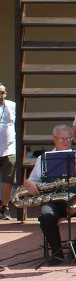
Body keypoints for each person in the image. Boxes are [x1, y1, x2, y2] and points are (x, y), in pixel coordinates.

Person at [26, 125, 76, 265]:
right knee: (46, 216)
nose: (66, 141)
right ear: (54, 139)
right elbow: (32, 180)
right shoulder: (43, 159)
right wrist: (29, 183)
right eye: (62, 138)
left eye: (69, 138)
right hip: (53, 201)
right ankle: (57, 253)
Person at [0, 83, 17, 220]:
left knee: (8, 179)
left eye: (2, 93)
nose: (1, 96)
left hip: (9, 149)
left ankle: (5, 207)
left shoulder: (11, 105)